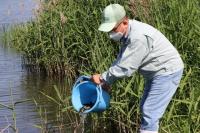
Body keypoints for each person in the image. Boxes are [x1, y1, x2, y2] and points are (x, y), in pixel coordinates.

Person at [91, 4, 184, 133]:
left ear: (124, 22)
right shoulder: (127, 33)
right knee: (145, 108)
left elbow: (126, 68)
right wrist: (106, 82)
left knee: (150, 111)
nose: (111, 33)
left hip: (166, 71)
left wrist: (102, 77)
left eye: (113, 29)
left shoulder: (138, 37)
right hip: (155, 72)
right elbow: (121, 60)